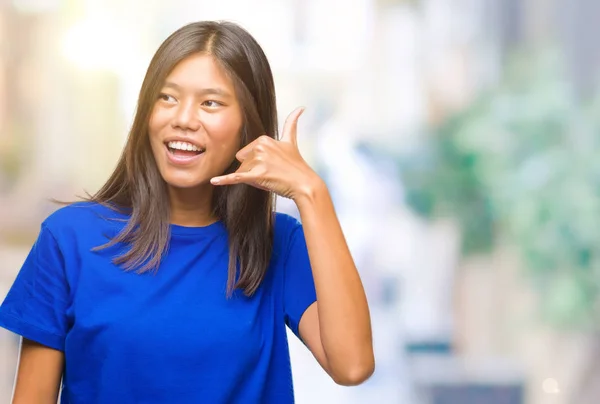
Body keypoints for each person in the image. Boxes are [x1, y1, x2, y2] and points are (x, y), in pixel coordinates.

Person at [0, 21, 374, 404]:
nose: (183, 118)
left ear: (249, 123)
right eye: (167, 97)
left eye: (211, 102)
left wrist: (312, 193)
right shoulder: (69, 239)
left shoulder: (278, 243)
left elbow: (352, 366)